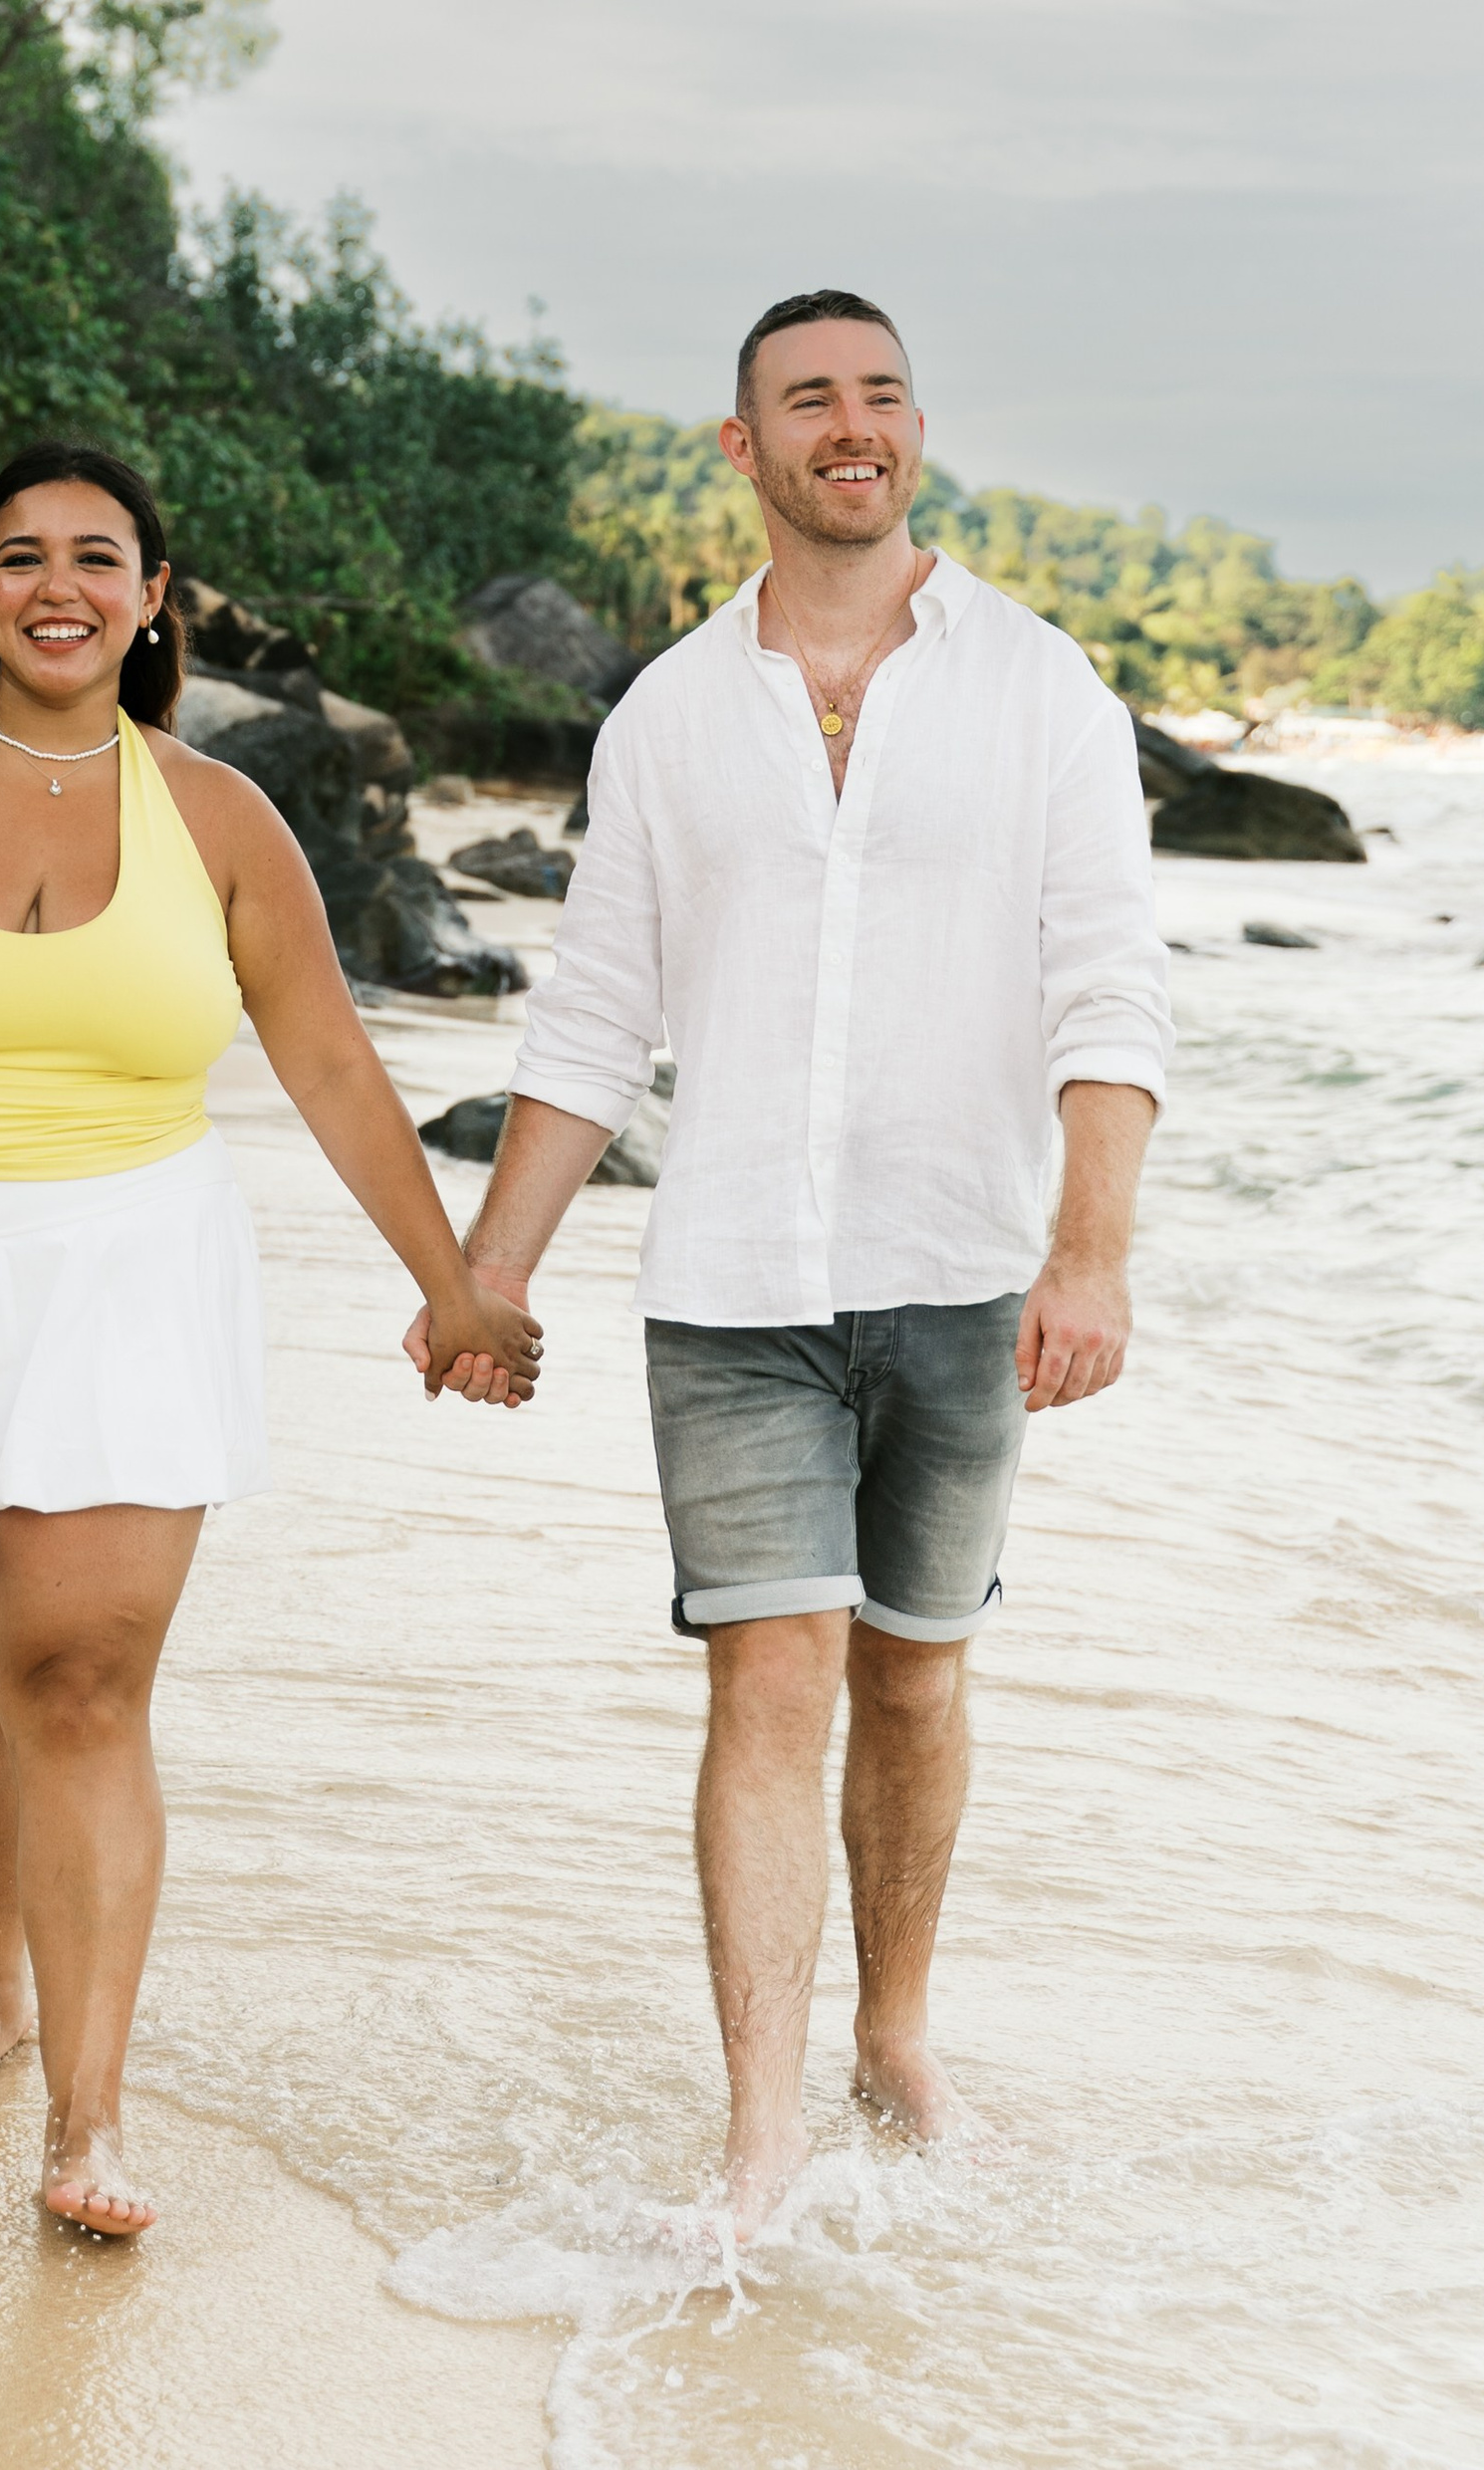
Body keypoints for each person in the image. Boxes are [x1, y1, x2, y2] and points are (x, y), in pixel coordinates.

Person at [0, 441, 540, 2240]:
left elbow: (326, 1063)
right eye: (21, 556)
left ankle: (90, 2119)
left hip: (123, 1272)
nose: (57, 585)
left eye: (98, 556)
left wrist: (452, 1280)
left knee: (78, 1683)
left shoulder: (221, 818)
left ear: (156, 596)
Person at [409, 291, 1167, 2226]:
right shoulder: (666, 713)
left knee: (912, 1678)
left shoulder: (1037, 691)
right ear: (739, 448)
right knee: (768, 1678)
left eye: (882, 393)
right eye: (806, 400)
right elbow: (590, 1022)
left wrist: (1089, 1255)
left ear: (917, 430)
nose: (853, 425)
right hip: (731, 1278)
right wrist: (484, 1276)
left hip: (961, 1268)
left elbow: (1106, 996)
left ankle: (891, 2031)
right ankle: (758, 2131)